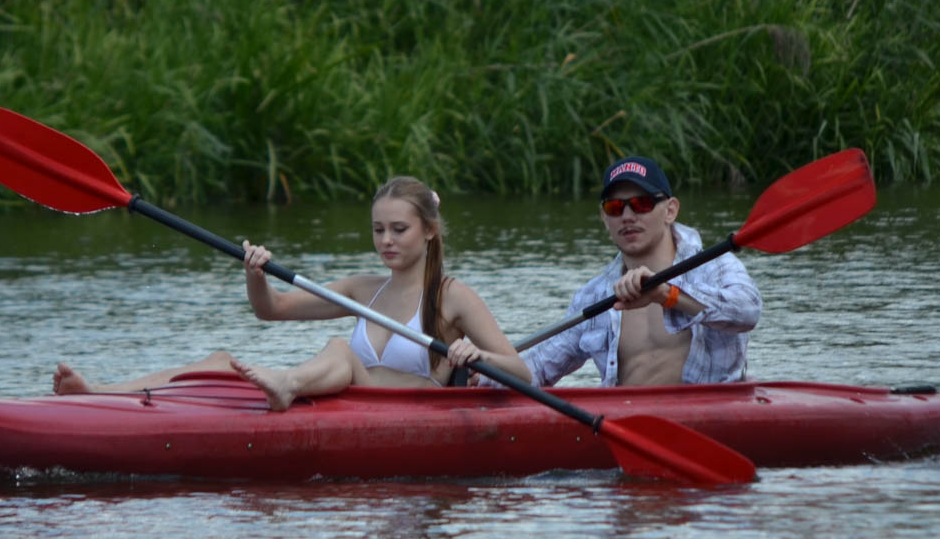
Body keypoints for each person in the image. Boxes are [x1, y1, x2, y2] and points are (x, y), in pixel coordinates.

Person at [51, 176, 531, 410]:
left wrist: (476, 355)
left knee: (342, 350)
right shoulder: (362, 289)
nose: (386, 240)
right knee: (221, 358)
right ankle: (99, 394)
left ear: (428, 231)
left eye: (399, 229)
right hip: (351, 404)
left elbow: (522, 373)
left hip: (407, 408)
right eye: (378, 229)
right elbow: (271, 311)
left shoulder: (453, 296)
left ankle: (287, 385)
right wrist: (255, 273)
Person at [520, 155, 761, 387]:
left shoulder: (715, 265)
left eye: (641, 204)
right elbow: (539, 367)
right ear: (604, 217)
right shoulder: (593, 295)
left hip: (707, 416)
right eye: (615, 207)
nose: (627, 217)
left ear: (670, 210)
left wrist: (666, 294)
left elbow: (748, 312)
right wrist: (485, 370)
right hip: (625, 420)